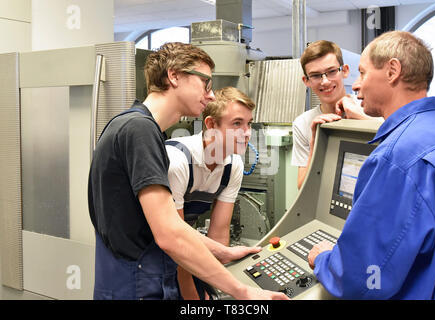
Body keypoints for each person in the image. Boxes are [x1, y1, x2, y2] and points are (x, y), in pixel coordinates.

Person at [88, 42, 288, 300]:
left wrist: (223, 252)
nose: (211, 95)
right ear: (174, 76)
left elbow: (164, 226)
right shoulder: (140, 131)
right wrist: (242, 292)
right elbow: (170, 235)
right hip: (136, 286)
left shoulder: (134, 126)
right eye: (206, 83)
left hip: (136, 280)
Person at [307, 31, 435, 299]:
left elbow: (365, 279)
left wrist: (324, 258)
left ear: (392, 70)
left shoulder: (396, 158)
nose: (356, 85)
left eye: (362, 73)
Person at [165, 86, 254, 300]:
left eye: (249, 123)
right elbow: (177, 241)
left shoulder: (233, 165)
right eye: (237, 124)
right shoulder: (177, 160)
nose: (247, 132)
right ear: (211, 124)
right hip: (155, 252)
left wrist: (217, 289)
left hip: (188, 247)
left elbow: (219, 233)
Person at [292, 40, 375, 190]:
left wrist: (361, 117)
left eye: (331, 71)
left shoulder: (371, 108)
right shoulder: (303, 123)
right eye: (316, 75)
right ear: (306, 81)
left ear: (345, 71)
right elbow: (302, 187)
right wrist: (314, 144)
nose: (325, 81)